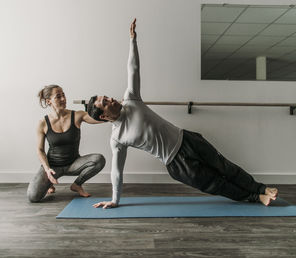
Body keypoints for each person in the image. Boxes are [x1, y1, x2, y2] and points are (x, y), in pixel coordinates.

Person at [87, 18, 278, 209]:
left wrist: (132, 40)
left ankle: (261, 188)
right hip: (176, 164)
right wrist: (115, 200)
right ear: (103, 116)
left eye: (107, 97)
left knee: (225, 167)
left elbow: (133, 69)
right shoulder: (117, 138)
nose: (110, 99)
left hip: (187, 139)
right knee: (216, 184)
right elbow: (117, 171)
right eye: (105, 103)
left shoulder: (131, 99)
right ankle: (255, 197)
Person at [27, 85, 106, 202]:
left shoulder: (77, 115)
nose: (63, 99)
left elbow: (100, 118)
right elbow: (40, 150)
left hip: (73, 163)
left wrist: (114, 112)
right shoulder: (43, 123)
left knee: (99, 159)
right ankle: (50, 183)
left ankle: (77, 185)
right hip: (53, 167)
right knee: (33, 197)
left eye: (63, 95)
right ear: (49, 101)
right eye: (58, 97)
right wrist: (47, 169)